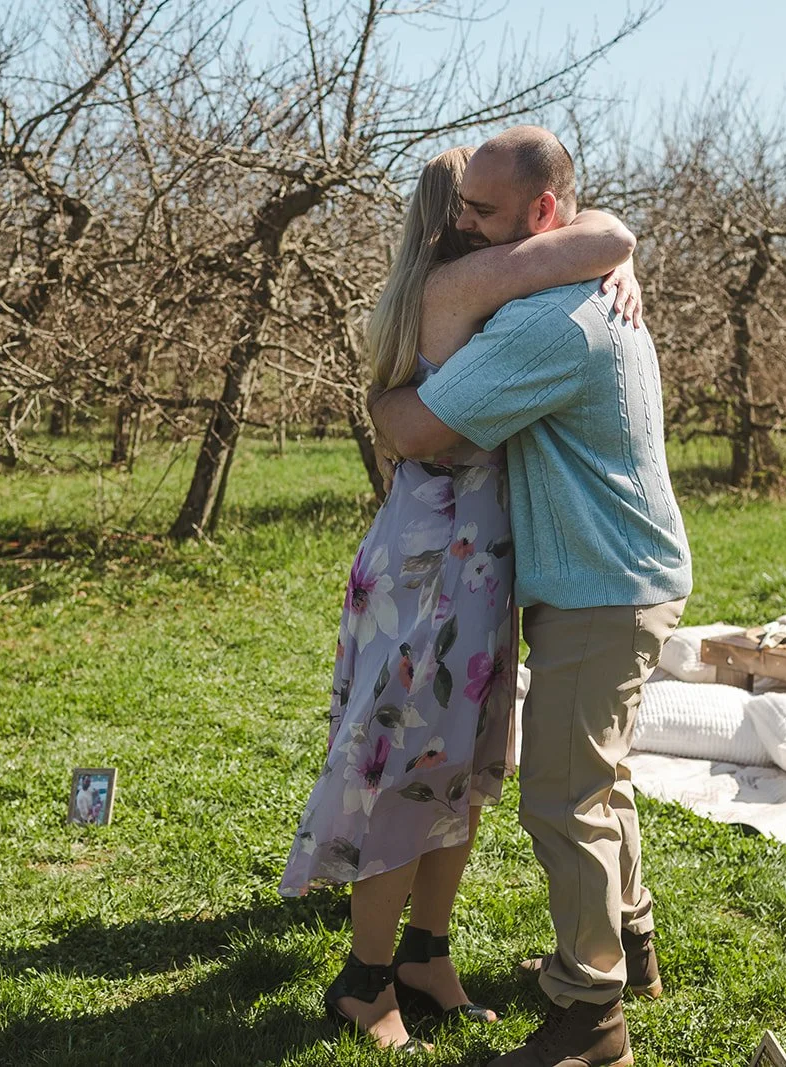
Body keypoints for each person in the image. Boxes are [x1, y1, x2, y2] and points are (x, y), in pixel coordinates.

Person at [279, 142, 644, 1055]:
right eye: (467, 210)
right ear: (452, 224)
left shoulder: (496, 287)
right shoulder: (458, 293)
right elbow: (420, 431)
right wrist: (609, 247)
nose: (475, 226)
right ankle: (364, 983)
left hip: (482, 564)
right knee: (406, 766)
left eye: (491, 210)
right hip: (434, 566)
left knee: (464, 770)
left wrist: (618, 251)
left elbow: (595, 232)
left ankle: (425, 957)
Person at [372, 126, 691, 1067]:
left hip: (599, 587)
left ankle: (590, 1017)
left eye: (480, 212)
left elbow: (424, 431)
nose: (461, 226)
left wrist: (381, 405)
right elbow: (599, 234)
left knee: (562, 795)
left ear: (544, 214)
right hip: (625, 576)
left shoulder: (550, 323)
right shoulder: (578, 284)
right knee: (602, 774)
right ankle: (628, 945)